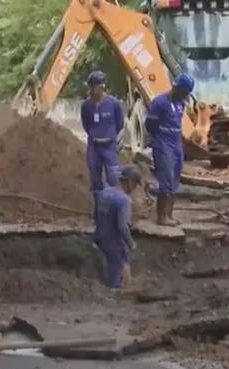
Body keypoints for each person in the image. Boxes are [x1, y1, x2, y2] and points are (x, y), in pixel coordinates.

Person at [144, 73, 194, 226]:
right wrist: (160, 138)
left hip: (176, 144)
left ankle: (170, 214)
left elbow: (177, 123)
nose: (185, 96)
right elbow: (150, 125)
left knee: (174, 179)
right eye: (184, 92)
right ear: (177, 88)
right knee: (165, 178)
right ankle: (162, 216)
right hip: (163, 144)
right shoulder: (160, 102)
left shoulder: (180, 104)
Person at [80, 70, 125, 221]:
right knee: (95, 181)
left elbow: (120, 123)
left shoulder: (113, 104)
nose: (96, 90)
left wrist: (109, 136)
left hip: (109, 147)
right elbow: (86, 125)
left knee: (114, 178)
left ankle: (116, 214)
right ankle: (98, 215)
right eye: (94, 87)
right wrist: (95, 136)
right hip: (94, 147)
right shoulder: (86, 106)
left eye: (100, 87)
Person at [94, 165, 141, 289]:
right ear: (130, 182)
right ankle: (113, 296)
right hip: (114, 243)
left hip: (100, 237)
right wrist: (131, 243)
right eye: (135, 184)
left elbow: (96, 215)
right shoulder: (124, 200)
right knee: (115, 275)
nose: (135, 188)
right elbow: (122, 226)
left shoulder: (104, 193)